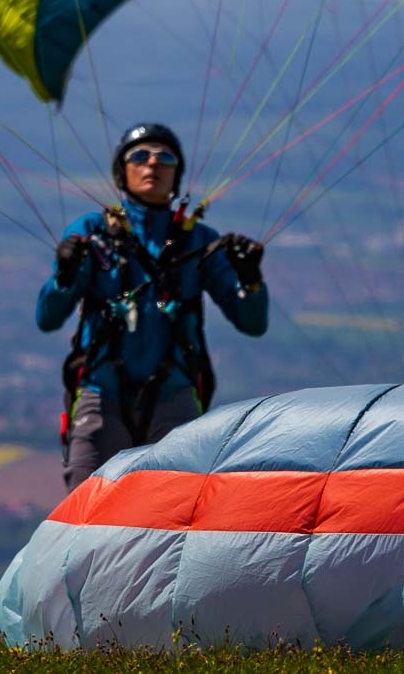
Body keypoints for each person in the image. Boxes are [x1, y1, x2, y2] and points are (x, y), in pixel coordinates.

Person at [37, 123, 269, 491]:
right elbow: (48, 318)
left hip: (174, 394)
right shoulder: (92, 233)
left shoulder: (200, 241)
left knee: (175, 509)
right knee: (87, 506)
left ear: (177, 174)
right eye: (140, 156)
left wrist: (251, 280)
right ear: (122, 171)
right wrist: (63, 277)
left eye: (166, 158)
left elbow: (252, 323)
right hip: (101, 391)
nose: (153, 165)